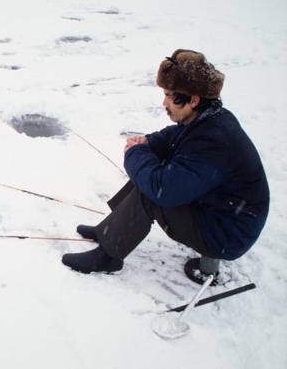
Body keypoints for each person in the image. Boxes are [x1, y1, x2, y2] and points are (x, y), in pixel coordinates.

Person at [62, 49, 270, 280]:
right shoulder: (208, 118)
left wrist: (136, 153)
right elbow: (175, 136)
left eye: (170, 95)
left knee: (154, 189)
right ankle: (109, 231)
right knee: (152, 172)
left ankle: (108, 257)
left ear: (194, 100)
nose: (164, 102)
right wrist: (148, 143)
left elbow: (165, 192)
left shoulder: (213, 138)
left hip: (228, 233)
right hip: (222, 213)